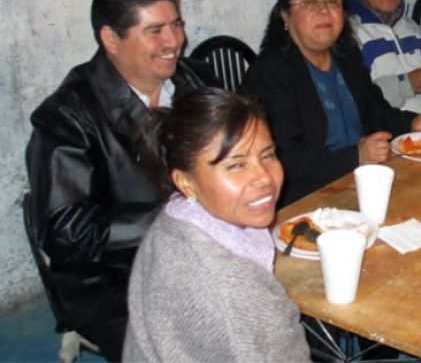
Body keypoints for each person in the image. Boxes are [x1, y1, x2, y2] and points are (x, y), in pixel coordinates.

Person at [24, 0, 206, 361]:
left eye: (176, 24)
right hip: (110, 278)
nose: (175, 41)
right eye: (155, 30)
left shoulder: (191, 82)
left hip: (195, 252)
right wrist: (182, 215)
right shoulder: (66, 117)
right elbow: (67, 233)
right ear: (110, 40)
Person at [122, 88, 311, 361]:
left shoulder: (173, 221)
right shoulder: (235, 291)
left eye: (268, 155)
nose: (264, 178)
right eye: (236, 165)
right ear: (186, 182)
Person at [244, 0, 421, 206]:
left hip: (359, 181)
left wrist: (413, 122)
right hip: (307, 199)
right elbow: (282, 159)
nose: (324, 10)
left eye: (332, 1)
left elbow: (376, 111)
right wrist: (355, 156)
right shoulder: (270, 73)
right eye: (309, 2)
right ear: (285, 16)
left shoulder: (346, 58)